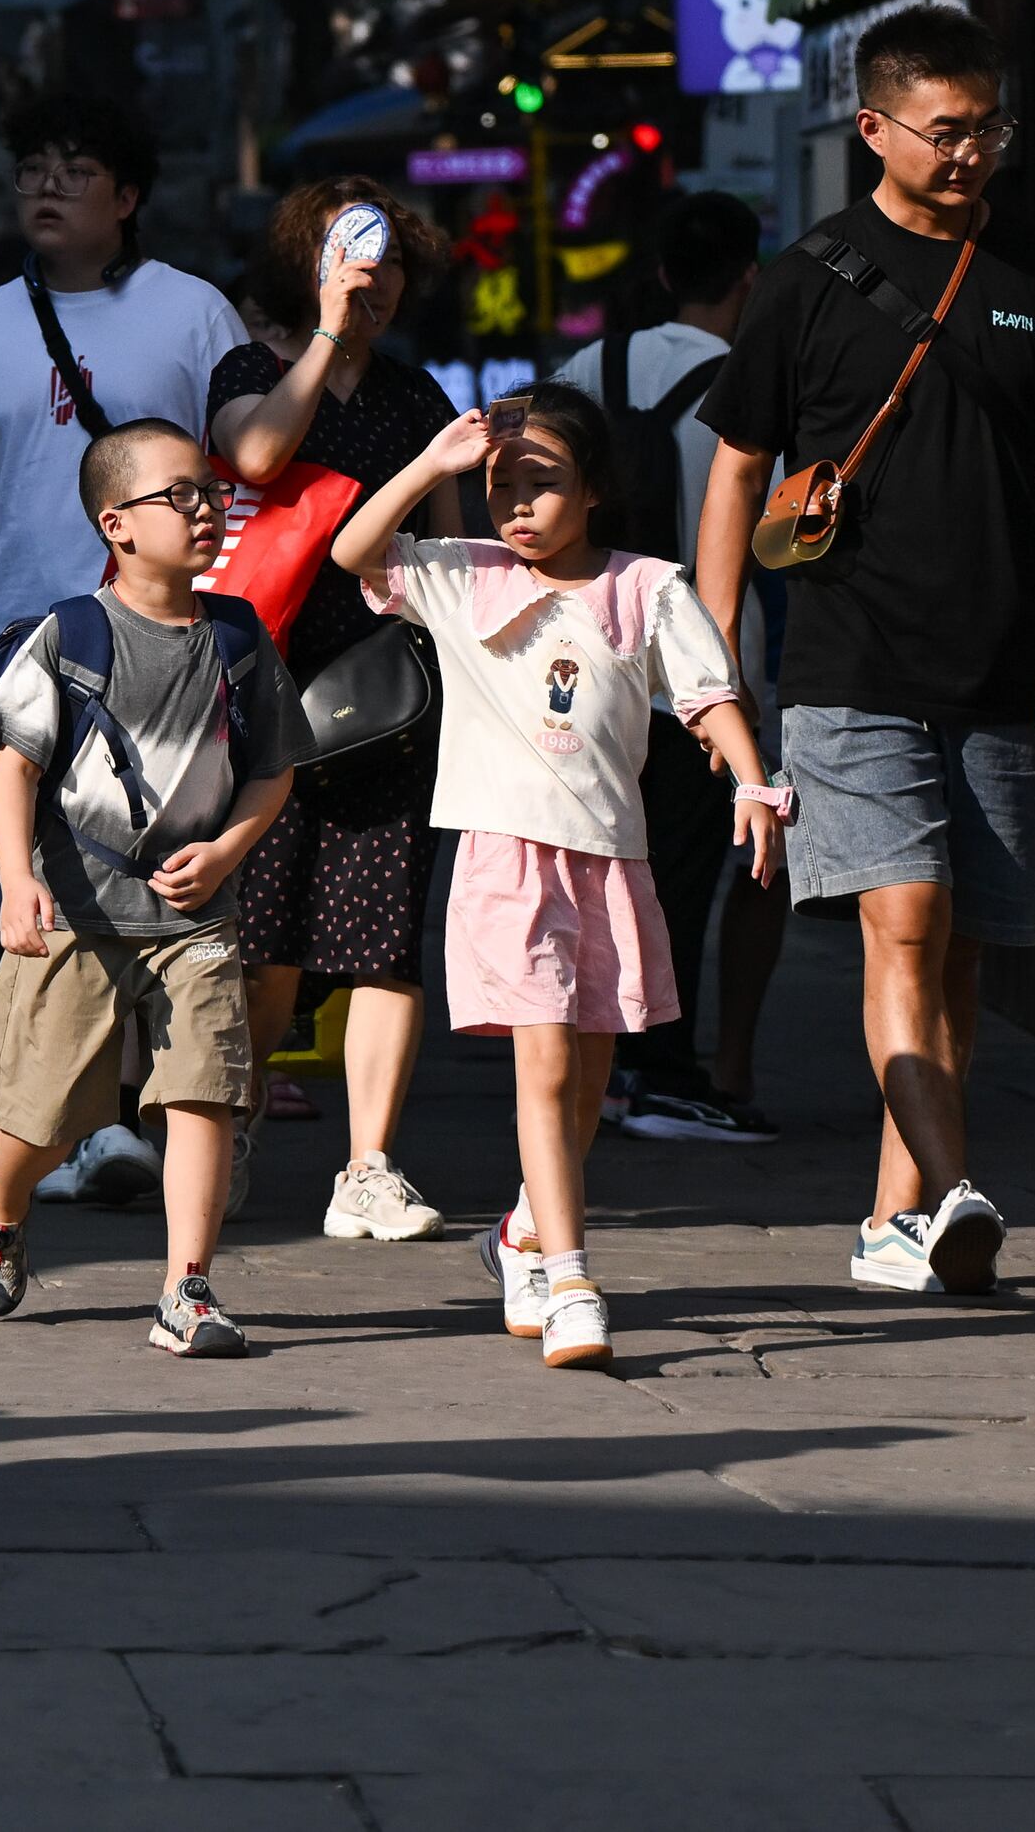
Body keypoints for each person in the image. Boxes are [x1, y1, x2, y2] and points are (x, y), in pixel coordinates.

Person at [694, 6, 1035, 1301]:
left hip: (1001, 663)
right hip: (848, 664)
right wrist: (720, 665)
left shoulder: (1033, 282)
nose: (974, 151)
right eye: (948, 128)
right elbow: (737, 472)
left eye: (991, 128)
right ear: (873, 129)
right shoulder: (807, 277)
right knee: (905, 926)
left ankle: (894, 1217)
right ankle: (960, 1184)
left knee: (962, 952)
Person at [336, 386, 779, 1370]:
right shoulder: (463, 577)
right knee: (543, 1063)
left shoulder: (646, 588)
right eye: (502, 489)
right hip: (504, 857)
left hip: (609, 860)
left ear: (595, 492)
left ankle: (528, 1228)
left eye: (543, 486)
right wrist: (430, 468)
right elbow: (351, 550)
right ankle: (571, 1277)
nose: (519, 509)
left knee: (586, 1073)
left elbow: (709, 696)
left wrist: (753, 782)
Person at [0, 418, 301, 1360]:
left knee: (204, 1095)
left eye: (210, 492)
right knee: (45, 1110)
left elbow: (275, 766)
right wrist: (19, 879)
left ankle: (186, 1288)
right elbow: (13, 770)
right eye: (179, 494)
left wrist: (228, 851)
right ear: (117, 524)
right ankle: (2, 1200)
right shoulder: (69, 633)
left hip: (197, 918)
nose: (205, 508)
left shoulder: (236, 635)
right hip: (80, 909)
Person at [211, 173, 465, 1243]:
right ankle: (229, 1131)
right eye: (352, 259)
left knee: (382, 941)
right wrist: (322, 337)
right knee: (265, 945)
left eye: (391, 263)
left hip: (388, 699)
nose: (374, 282)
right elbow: (256, 454)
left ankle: (368, 1164)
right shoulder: (250, 368)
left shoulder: (417, 399)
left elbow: (453, 555)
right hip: (265, 691)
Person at [0, 91, 246, 704]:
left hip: (166, 632)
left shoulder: (196, 313)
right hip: (20, 637)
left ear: (126, 199)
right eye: (34, 171)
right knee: (12, 802)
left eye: (75, 173)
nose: (48, 187)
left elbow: (250, 465)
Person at [553, 187, 789, 1143]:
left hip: (577, 663)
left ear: (659, 275)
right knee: (682, 875)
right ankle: (659, 1068)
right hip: (693, 666)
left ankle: (587, 1061)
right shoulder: (749, 378)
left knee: (587, 869)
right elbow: (778, 532)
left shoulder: (585, 364)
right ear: (748, 278)